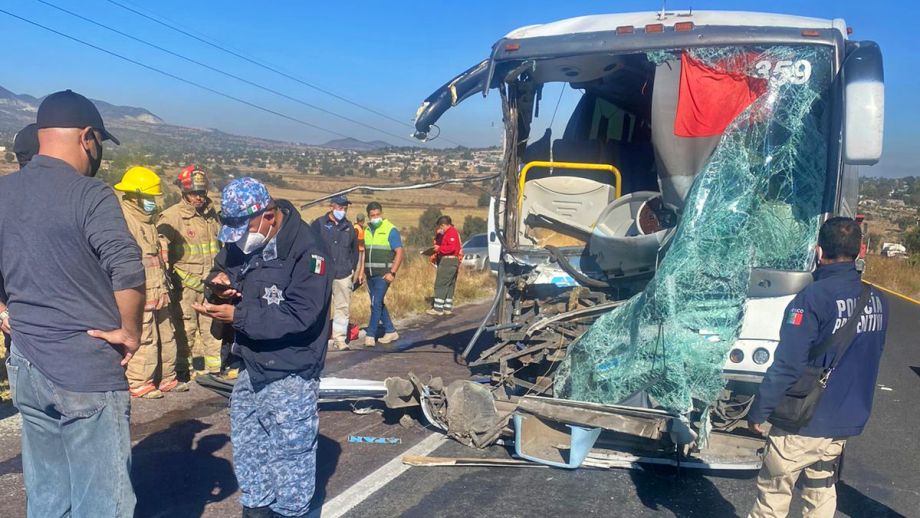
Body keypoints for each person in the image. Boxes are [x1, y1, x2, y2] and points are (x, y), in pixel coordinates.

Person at [0, 90, 143, 517]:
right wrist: (130, 332)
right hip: (85, 366)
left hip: (26, 362)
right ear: (87, 137)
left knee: (47, 495)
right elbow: (127, 268)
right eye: (99, 141)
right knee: (103, 502)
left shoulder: (3, 192)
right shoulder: (90, 195)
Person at [194, 177, 331, 517]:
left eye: (244, 227)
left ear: (268, 216)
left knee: (291, 457)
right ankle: (256, 509)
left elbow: (301, 315)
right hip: (250, 364)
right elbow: (221, 267)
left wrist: (237, 315)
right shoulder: (242, 238)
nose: (239, 238)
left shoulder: (307, 250)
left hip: (291, 369)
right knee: (249, 448)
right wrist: (219, 285)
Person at [747, 217, 889, 518]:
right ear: (861, 250)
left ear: (818, 251)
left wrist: (761, 409)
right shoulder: (876, 300)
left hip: (804, 420)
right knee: (821, 489)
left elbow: (788, 363)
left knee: (774, 492)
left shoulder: (812, 298)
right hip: (844, 421)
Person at [115, 166, 189, 398]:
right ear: (135, 196)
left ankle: (167, 378)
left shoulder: (148, 221)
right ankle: (140, 382)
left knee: (167, 335)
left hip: (160, 291)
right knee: (145, 338)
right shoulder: (124, 222)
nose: (152, 203)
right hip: (140, 293)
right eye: (148, 198)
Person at [158, 165, 222, 377]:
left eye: (202, 193)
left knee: (213, 328)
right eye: (195, 193)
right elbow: (161, 251)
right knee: (186, 330)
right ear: (184, 192)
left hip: (211, 286)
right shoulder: (171, 217)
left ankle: (215, 369)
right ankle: (183, 371)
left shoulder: (211, 217)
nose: (199, 197)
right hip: (185, 289)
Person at [311, 194, 362, 350]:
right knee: (320, 307)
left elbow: (354, 251)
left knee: (342, 307)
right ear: (331, 207)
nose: (343, 211)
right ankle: (319, 338)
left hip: (343, 273)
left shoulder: (349, 228)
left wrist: (351, 268)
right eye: (340, 207)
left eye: (345, 208)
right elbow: (310, 248)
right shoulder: (318, 224)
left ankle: (339, 339)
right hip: (322, 275)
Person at [363, 201, 404, 347]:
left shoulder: (390, 229)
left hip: (383, 275)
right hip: (370, 275)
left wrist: (392, 272)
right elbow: (364, 253)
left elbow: (399, 252)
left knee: (375, 304)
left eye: (377, 214)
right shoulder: (367, 230)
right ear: (368, 216)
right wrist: (362, 272)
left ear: (381, 214)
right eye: (372, 215)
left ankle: (370, 334)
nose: (375, 217)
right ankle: (390, 330)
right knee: (377, 302)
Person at [426, 215, 462, 316]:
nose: (440, 229)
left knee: (440, 284)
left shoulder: (451, 232)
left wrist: (439, 249)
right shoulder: (450, 232)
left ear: (443, 225)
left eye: (441, 227)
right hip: (453, 261)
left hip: (448, 261)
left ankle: (438, 308)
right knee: (450, 284)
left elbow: (451, 248)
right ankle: (447, 307)